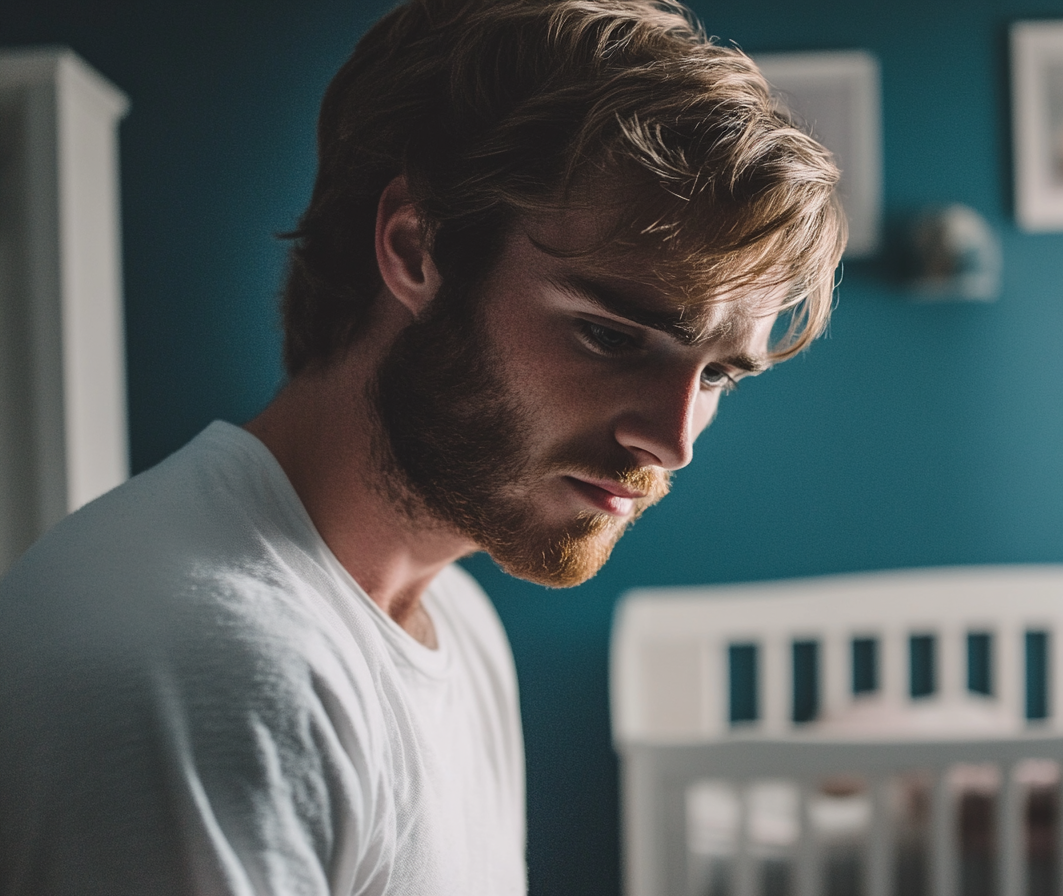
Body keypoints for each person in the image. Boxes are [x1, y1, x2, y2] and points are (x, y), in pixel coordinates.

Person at [0, 0, 844, 892]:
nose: (671, 441)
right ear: (415, 248)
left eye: (718, 376)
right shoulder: (197, 665)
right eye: (611, 336)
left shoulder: (458, 626)